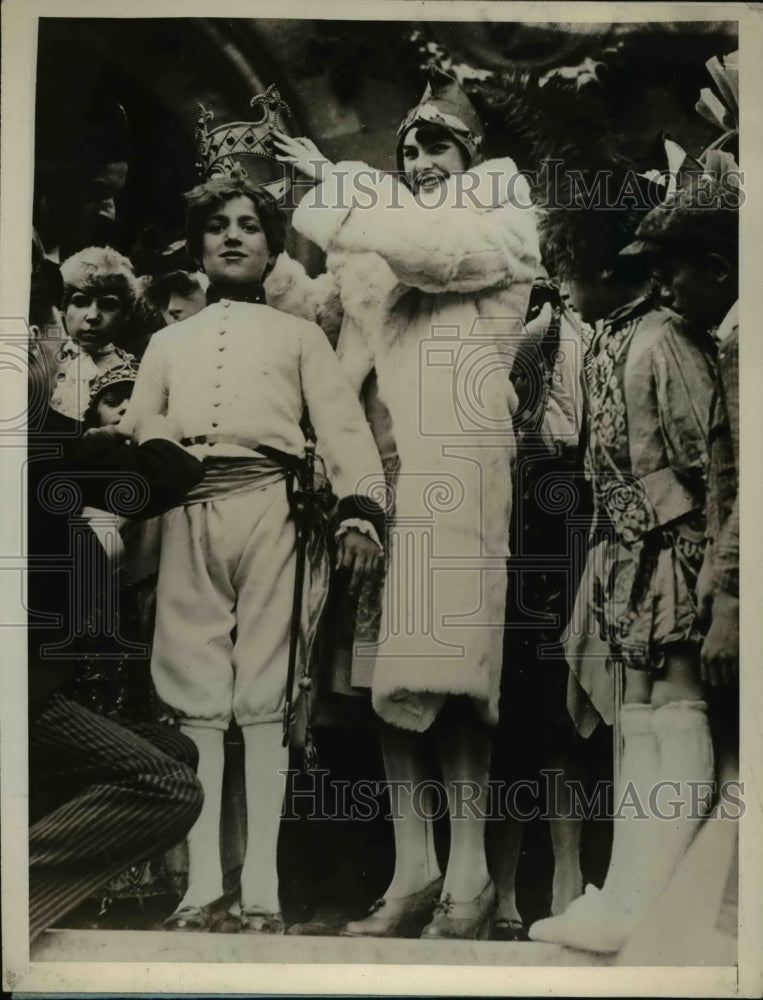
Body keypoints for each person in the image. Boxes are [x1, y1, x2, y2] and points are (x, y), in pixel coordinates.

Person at [277, 67, 543, 939]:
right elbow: (334, 327)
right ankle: (412, 870)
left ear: (472, 152)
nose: (420, 158)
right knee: (380, 670)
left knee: (453, 678)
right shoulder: (384, 233)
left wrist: (340, 181)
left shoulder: (498, 207)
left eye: (436, 144)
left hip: (456, 458)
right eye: (409, 148)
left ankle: (467, 876)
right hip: (384, 466)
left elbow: (433, 256)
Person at [120, 167, 386, 934]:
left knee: (264, 698)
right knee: (194, 696)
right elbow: (141, 425)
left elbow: (341, 427)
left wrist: (360, 511)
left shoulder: (300, 335)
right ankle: (202, 887)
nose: (233, 235)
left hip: (273, 507)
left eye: (248, 224)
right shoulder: (168, 342)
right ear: (196, 243)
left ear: (272, 246)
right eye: (217, 225)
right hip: (187, 508)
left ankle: (262, 892)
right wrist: (151, 450)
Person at [527, 166, 718, 953]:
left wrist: (694, 561)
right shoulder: (610, 337)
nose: (557, 284)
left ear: (608, 262)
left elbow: (704, 461)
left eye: (566, 265)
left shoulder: (663, 340)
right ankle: (626, 888)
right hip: (628, 554)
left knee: (673, 715)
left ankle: (654, 895)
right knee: (635, 719)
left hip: (672, 553)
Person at [26, 249, 206, 943]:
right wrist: (151, 418)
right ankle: (12, 906)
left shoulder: (43, 442)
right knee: (165, 783)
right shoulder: (40, 442)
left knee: (169, 749)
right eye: (52, 332)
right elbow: (167, 471)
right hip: (20, 694)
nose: (63, 344)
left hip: (35, 686)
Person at [50, 246, 137, 421]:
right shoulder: (43, 365)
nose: (93, 316)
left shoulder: (135, 371)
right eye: (81, 302)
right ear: (63, 308)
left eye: (108, 305)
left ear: (125, 314)